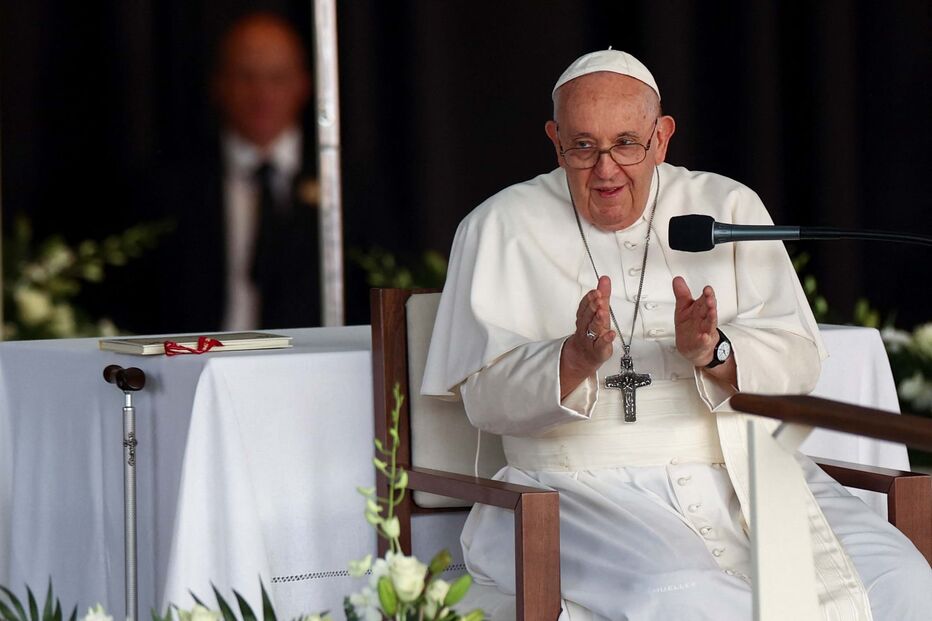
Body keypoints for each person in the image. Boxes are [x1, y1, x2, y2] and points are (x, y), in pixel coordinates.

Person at [421, 50, 931, 620]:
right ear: (554, 140)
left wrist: (715, 352)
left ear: (662, 138)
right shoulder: (498, 226)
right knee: (684, 597)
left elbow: (800, 358)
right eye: (582, 147)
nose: (606, 169)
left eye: (627, 143)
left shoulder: (728, 206)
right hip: (576, 487)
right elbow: (483, 402)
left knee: (905, 583)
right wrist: (572, 358)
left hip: (744, 472)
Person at [134, 12, 321, 334]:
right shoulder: (171, 183)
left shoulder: (345, 184)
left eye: (276, 78)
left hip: (311, 370)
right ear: (219, 84)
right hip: (197, 367)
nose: (261, 94)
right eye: (246, 77)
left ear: (302, 85)